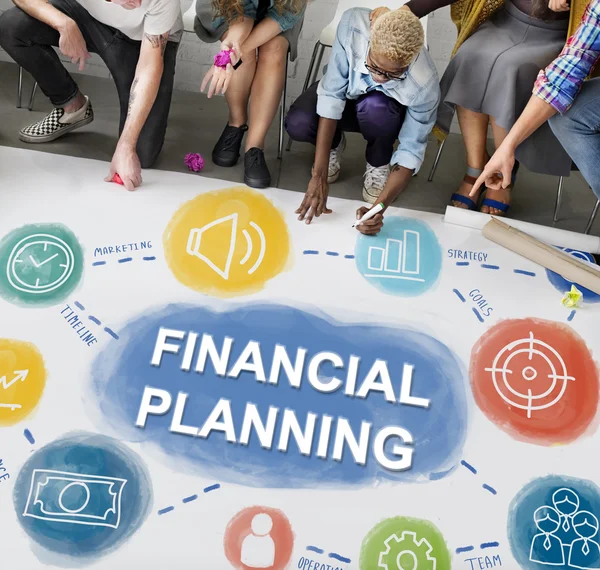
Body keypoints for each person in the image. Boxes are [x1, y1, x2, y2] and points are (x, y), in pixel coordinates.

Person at [379, 0, 591, 217]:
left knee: (509, 69)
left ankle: (501, 174)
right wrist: (411, 9)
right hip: (505, 23)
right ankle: (476, 167)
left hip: (558, 37)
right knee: (469, 57)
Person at [284, 8, 439, 235]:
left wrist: (380, 208)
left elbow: (410, 151)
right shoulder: (353, 25)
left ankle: (378, 161)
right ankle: (333, 145)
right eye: (373, 66)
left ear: (409, 61)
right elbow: (332, 94)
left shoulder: (424, 83)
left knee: (377, 109)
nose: (378, 77)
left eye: (391, 75)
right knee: (299, 123)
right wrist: (319, 175)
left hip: (382, 115)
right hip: (345, 98)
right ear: (370, 40)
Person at [0, 0, 182, 191]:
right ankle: (72, 106)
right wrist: (64, 24)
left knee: (141, 154)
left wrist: (126, 146)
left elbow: (148, 67)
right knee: (11, 26)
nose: (137, 3)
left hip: (144, 38)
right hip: (90, 18)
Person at [471, 0, 600, 208]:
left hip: (548, 34)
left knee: (511, 67)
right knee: (567, 116)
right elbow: (571, 66)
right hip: (513, 26)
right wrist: (506, 148)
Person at [195, 0, 306, 189]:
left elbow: (285, 14)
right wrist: (233, 46)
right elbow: (241, 11)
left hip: (280, 10)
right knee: (242, 51)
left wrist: (235, 53)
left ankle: (254, 146)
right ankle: (236, 123)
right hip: (228, 7)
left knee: (274, 49)